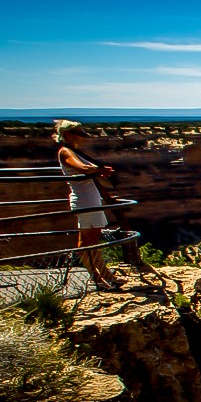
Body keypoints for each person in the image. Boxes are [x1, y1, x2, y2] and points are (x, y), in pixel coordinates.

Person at [54, 120, 120, 289]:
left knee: (92, 241)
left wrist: (99, 172)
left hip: (90, 199)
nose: (82, 137)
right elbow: (81, 168)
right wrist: (99, 170)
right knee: (87, 243)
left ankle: (106, 276)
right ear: (68, 134)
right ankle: (98, 279)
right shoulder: (66, 152)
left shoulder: (73, 151)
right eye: (79, 133)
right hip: (85, 201)